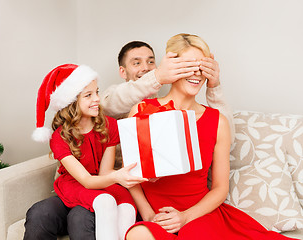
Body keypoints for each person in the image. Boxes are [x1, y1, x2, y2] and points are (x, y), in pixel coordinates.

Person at [24, 40, 234, 240]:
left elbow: (219, 131)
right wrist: (157, 76)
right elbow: (112, 103)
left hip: (115, 188)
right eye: (136, 62)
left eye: (151, 61)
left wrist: (213, 86)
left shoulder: (115, 121)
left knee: (82, 217)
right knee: (41, 213)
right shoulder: (115, 100)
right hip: (88, 186)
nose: (145, 68)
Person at [125, 33, 298, 240]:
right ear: (172, 67)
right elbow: (130, 175)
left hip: (199, 214)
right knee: (137, 235)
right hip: (156, 215)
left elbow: (220, 188)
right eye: (189, 65)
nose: (196, 73)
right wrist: (149, 214)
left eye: (202, 66)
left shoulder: (218, 122)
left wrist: (185, 217)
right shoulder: (142, 110)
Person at [31, 64, 148, 240]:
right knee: (41, 213)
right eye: (88, 95)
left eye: (97, 92)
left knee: (124, 207)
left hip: (102, 183)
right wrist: (117, 177)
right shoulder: (59, 137)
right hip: (75, 185)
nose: (97, 99)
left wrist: (125, 175)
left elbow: (105, 173)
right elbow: (86, 180)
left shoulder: (109, 125)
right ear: (71, 102)